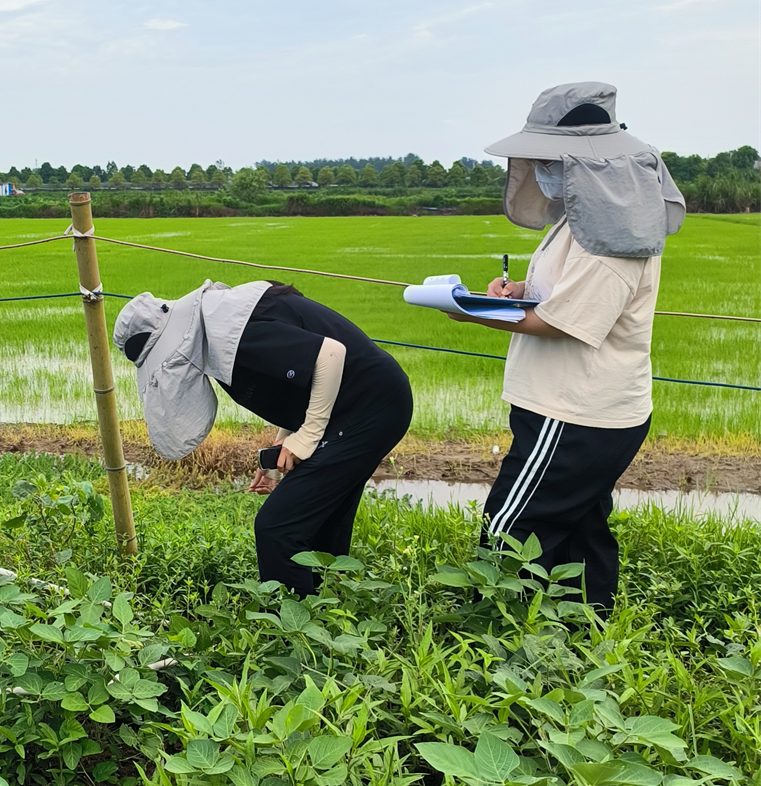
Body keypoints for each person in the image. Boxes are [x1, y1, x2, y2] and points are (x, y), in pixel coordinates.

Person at [445, 82, 685, 612]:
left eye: (552, 160)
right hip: (571, 404)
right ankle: (583, 637)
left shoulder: (615, 235)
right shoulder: (585, 219)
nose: (543, 171)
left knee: (510, 529)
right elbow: (560, 297)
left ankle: (499, 639)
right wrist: (518, 295)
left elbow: (563, 322)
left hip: (575, 410)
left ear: (588, 164)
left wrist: (473, 312)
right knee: (579, 529)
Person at [113, 280, 412, 597]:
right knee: (320, 523)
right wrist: (285, 441)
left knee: (277, 528)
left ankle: (294, 631)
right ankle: (330, 615)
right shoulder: (215, 326)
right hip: (361, 405)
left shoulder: (232, 332)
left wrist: (307, 437)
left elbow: (329, 356)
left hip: (369, 405)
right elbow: (297, 382)